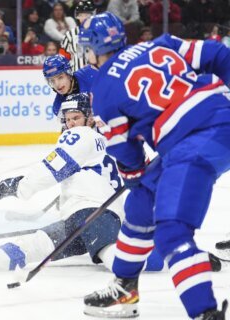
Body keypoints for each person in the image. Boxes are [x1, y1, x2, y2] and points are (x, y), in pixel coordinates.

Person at [78, 12, 230, 319]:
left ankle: (204, 312)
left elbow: (124, 149)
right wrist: (140, 182)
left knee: (171, 232)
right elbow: (217, 53)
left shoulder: (103, 90)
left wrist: (132, 174)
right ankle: (124, 286)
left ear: (92, 48)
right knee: (143, 200)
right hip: (215, 120)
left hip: (195, 142)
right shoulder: (159, 43)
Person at [0, 93, 128, 275]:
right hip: (83, 216)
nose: (71, 124)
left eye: (76, 118)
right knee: (35, 244)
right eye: (67, 120)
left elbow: (55, 166)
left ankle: (149, 256)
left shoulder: (82, 135)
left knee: (119, 262)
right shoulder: (107, 142)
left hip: (92, 213)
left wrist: (20, 186)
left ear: (90, 118)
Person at [42, 54, 97, 119]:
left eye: (60, 77)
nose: (57, 84)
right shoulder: (58, 107)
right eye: (52, 81)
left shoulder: (91, 74)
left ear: (69, 73)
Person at [60, 0, 96, 71]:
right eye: (81, 15)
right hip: (77, 74)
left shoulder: (100, 32)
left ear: (93, 15)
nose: (84, 18)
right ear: (77, 16)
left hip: (96, 75)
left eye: (87, 15)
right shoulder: (70, 34)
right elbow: (63, 57)